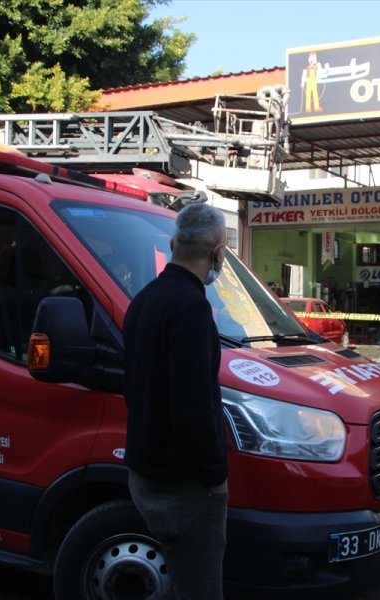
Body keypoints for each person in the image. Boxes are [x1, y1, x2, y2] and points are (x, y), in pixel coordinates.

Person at [123, 203, 230, 598]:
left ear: (173, 245)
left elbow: (131, 388)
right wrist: (215, 476)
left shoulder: (144, 300)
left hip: (145, 474)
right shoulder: (192, 309)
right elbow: (192, 409)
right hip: (184, 487)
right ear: (218, 253)